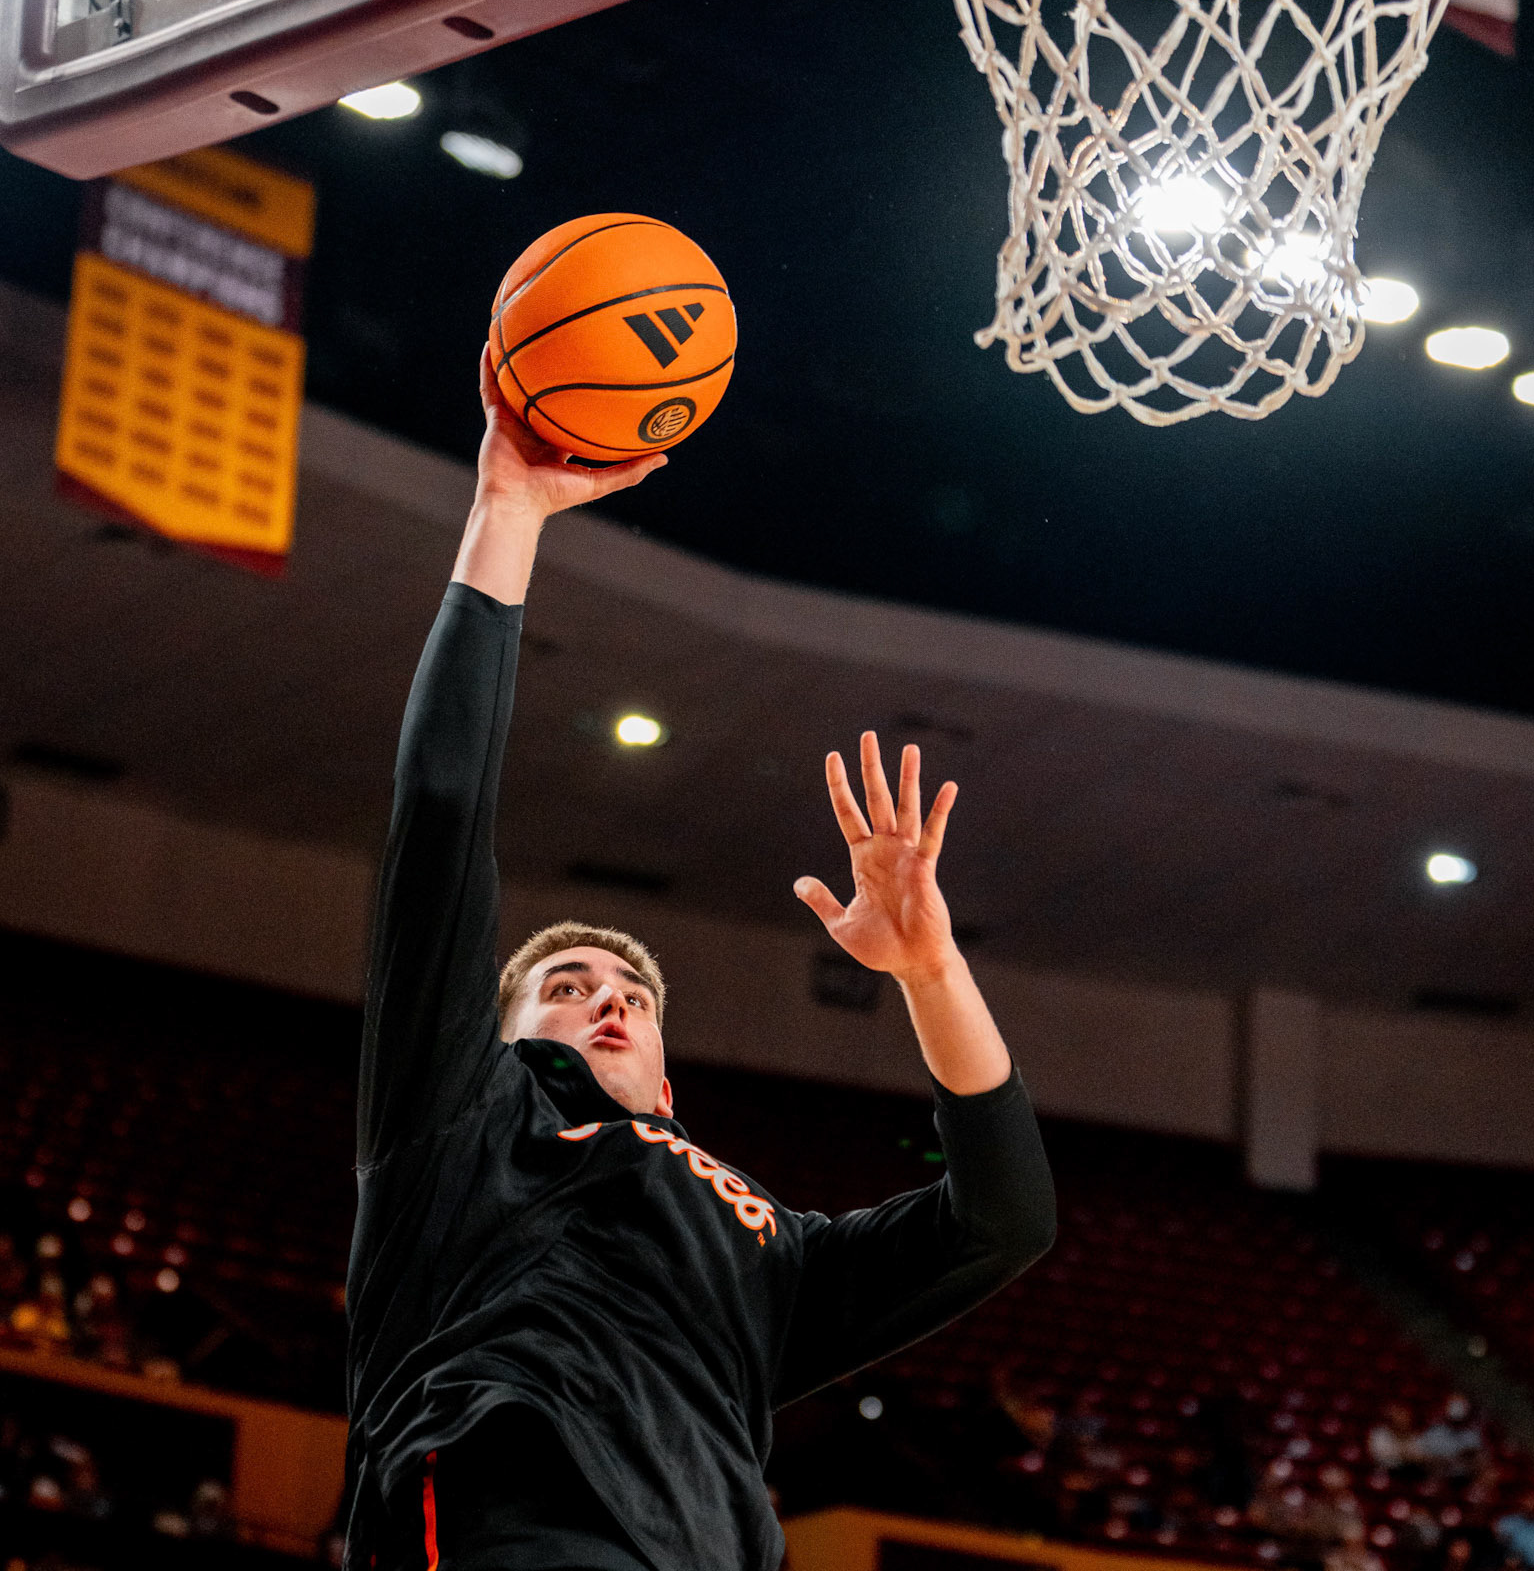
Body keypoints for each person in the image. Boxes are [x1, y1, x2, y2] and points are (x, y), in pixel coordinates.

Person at [343, 348, 1057, 1571]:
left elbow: (1007, 1219)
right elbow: (444, 808)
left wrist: (933, 969)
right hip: (514, 1518)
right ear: (501, 1032)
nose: (606, 1001)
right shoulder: (460, 1115)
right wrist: (506, 508)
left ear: (670, 1077)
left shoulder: (768, 1240)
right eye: (563, 989)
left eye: (629, 995)